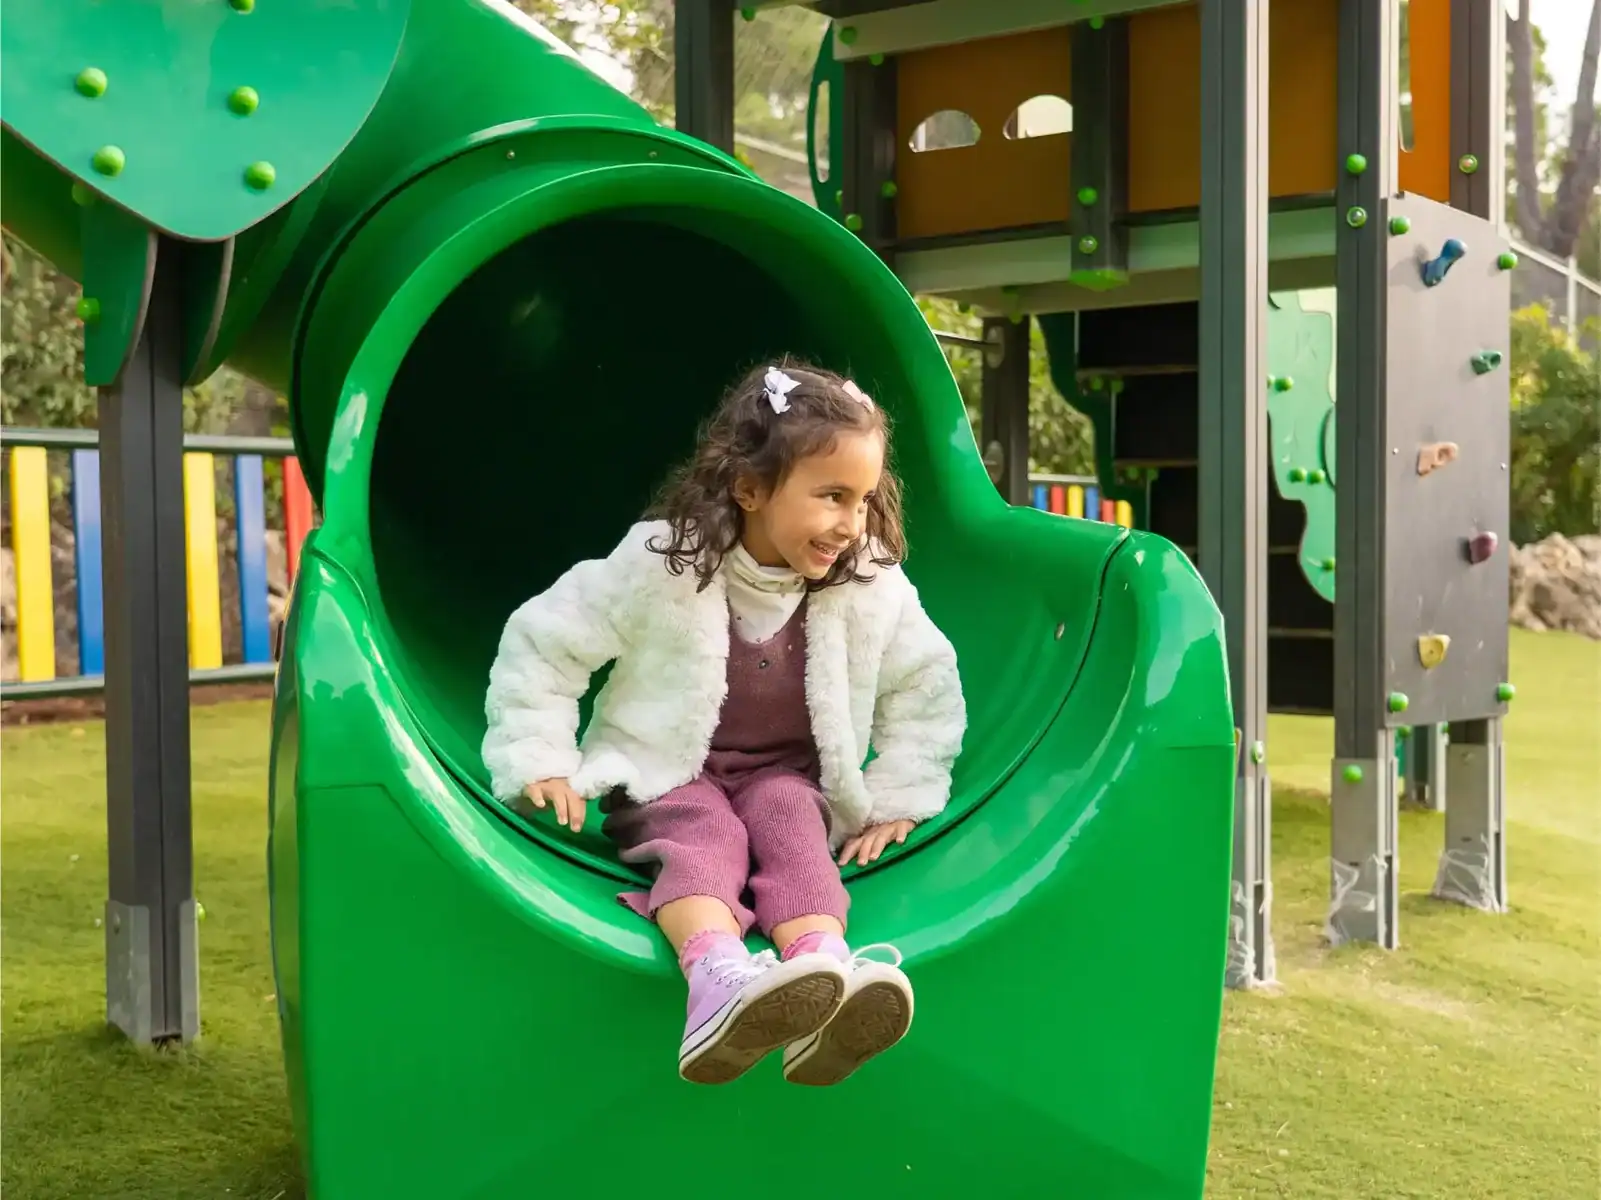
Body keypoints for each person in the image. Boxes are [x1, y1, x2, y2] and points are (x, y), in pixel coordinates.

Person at [481, 358, 966, 1086]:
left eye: (863, 500)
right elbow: (547, 640)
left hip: (783, 774)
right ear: (750, 488)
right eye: (831, 496)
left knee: (791, 826)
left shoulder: (869, 584)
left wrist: (899, 793)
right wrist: (539, 754)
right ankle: (715, 978)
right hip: (672, 769)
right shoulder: (662, 562)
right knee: (702, 834)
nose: (850, 523)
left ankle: (822, 978)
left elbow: (923, 678)